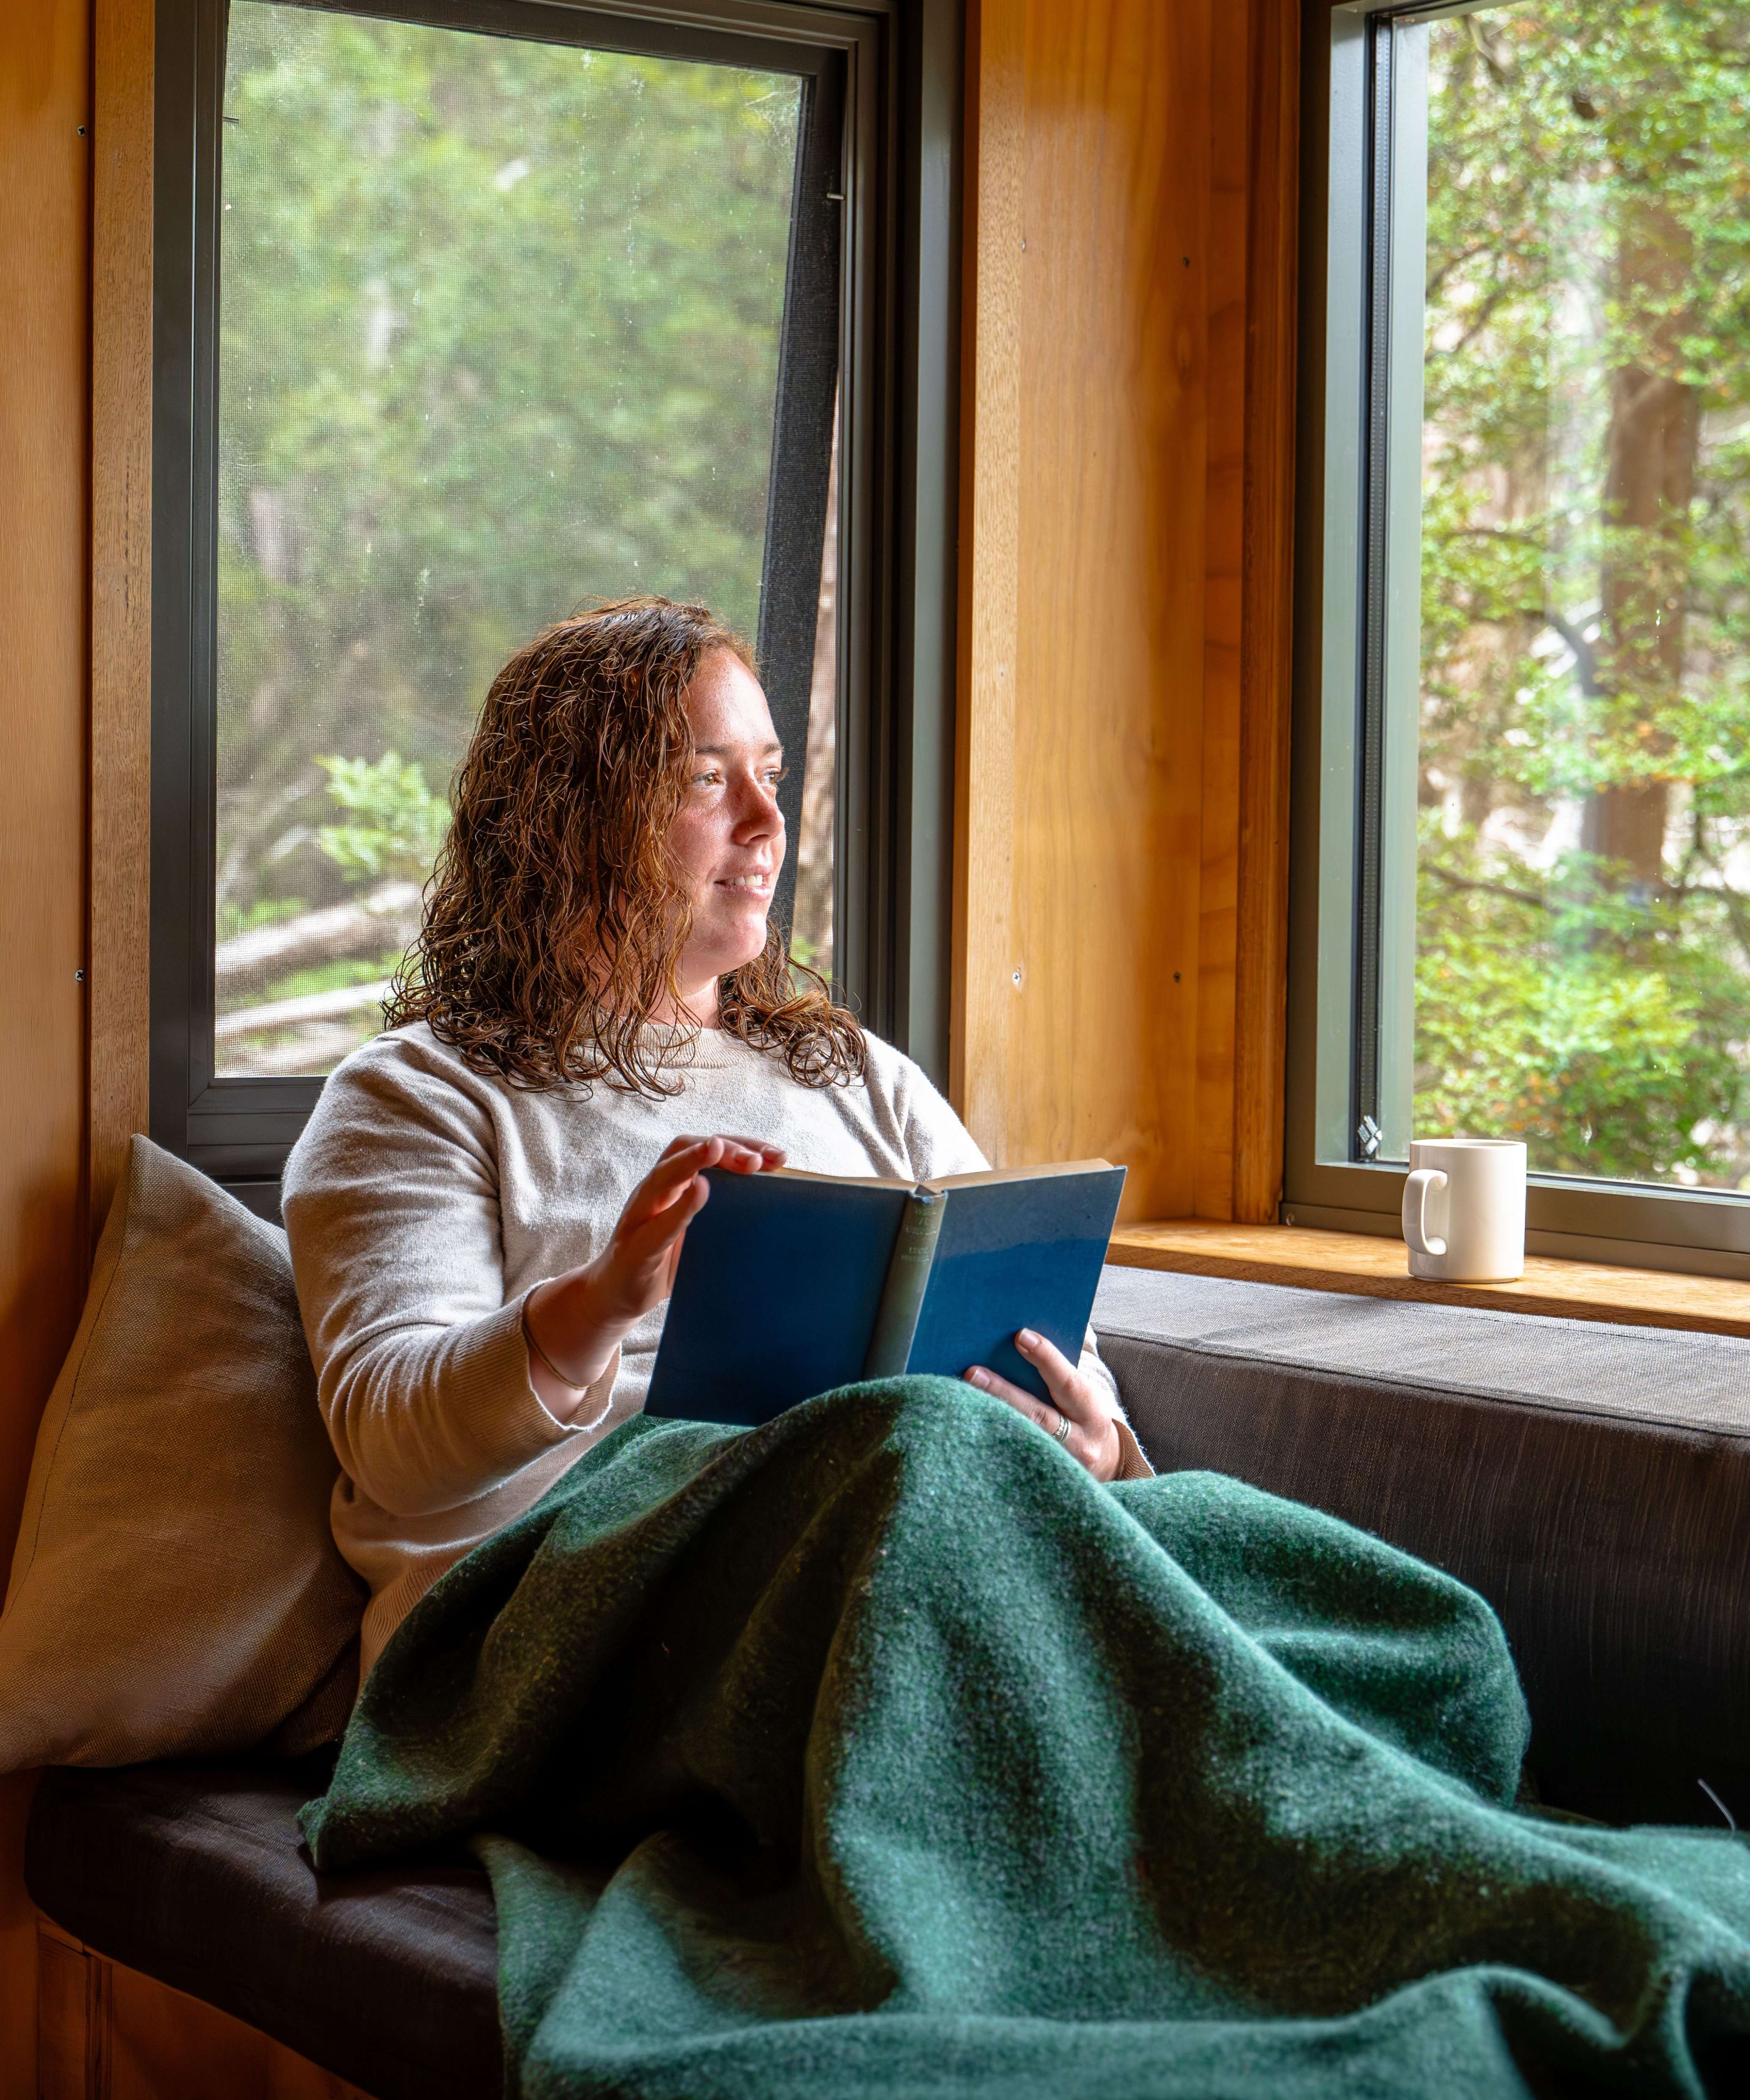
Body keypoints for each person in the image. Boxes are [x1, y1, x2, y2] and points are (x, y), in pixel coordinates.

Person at [284, 597, 1142, 1668]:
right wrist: (602, 1302)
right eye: (704, 778)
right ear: (569, 816)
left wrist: (1089, 1440)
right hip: (563, 1629)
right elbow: (390, 1442)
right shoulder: (420, 1096)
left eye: (770, 776)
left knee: (1267, 1571)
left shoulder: (861, 1079)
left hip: (895, 1561)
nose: (767, 821)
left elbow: (1058, 1349)